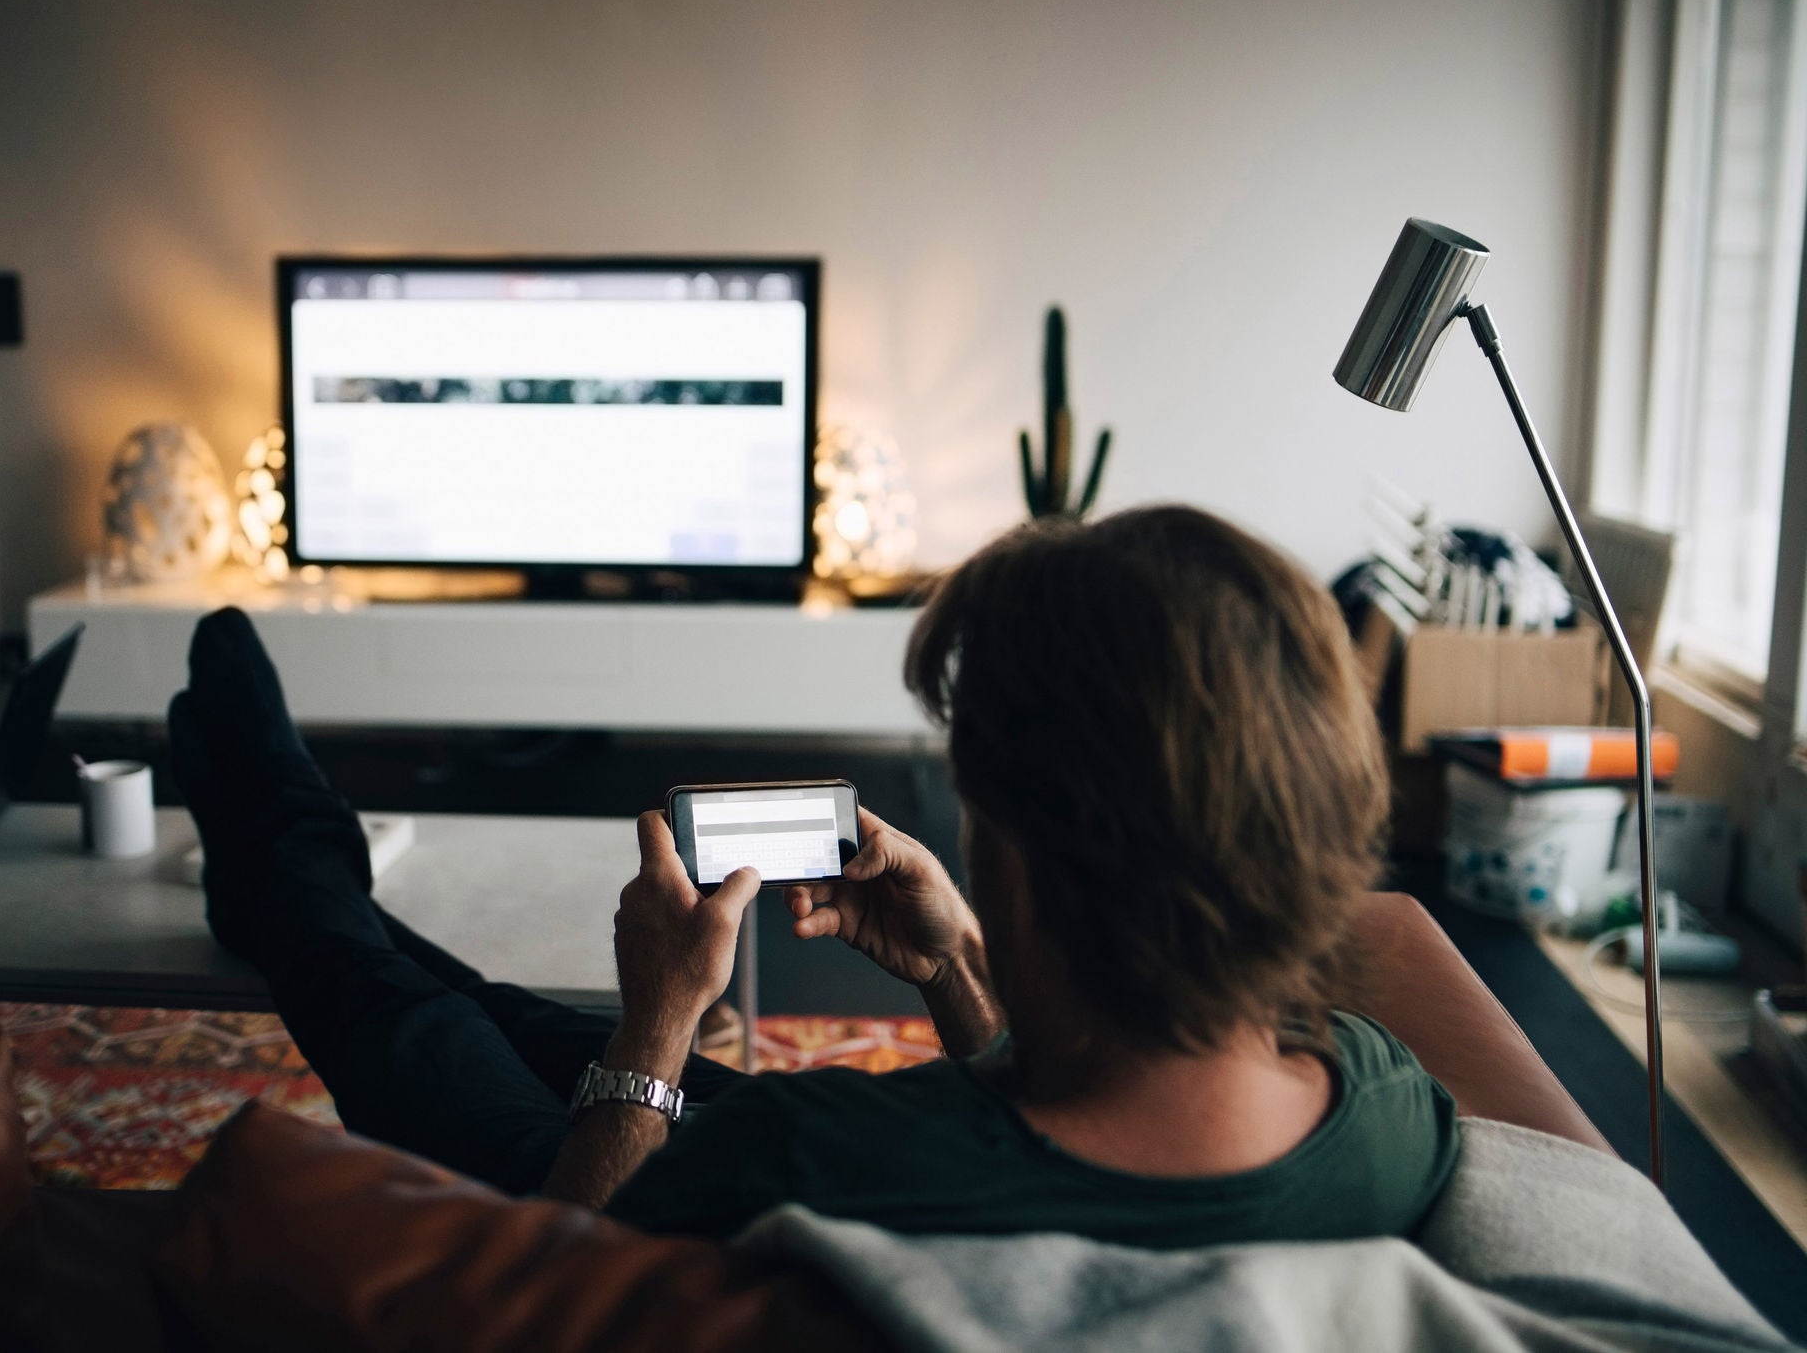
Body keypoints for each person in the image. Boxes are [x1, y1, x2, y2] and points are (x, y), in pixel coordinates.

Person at [167, 504, 1458, 1245]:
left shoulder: (829, 1153)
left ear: (1026, 843)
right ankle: (300, 857)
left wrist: (664, 1019)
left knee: (404, 1015)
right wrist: (958, 962)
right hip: (875, 1132)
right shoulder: (1389, 1097)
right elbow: (1101, 1109)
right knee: (500, 1007)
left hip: (617, 1184)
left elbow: (571, 1284)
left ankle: (285, 855)